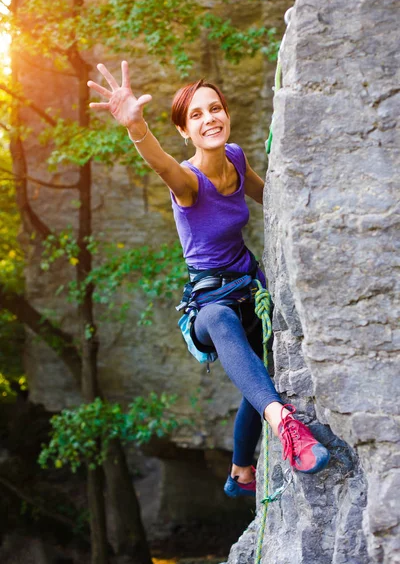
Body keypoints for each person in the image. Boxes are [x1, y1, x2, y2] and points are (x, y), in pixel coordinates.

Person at [87, 61, 330, 498]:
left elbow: (269, 192)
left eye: (214, 108)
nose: (209, 118)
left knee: (257, 382)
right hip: (209, 302)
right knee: (221, 322)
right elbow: (162, 165)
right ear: (185, 131)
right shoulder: (188, 183)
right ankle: (287, 428)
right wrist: (136, 126)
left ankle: (240, 472)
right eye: (195, 115)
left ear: (227, 115)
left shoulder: (235, 157)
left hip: (250, 288)